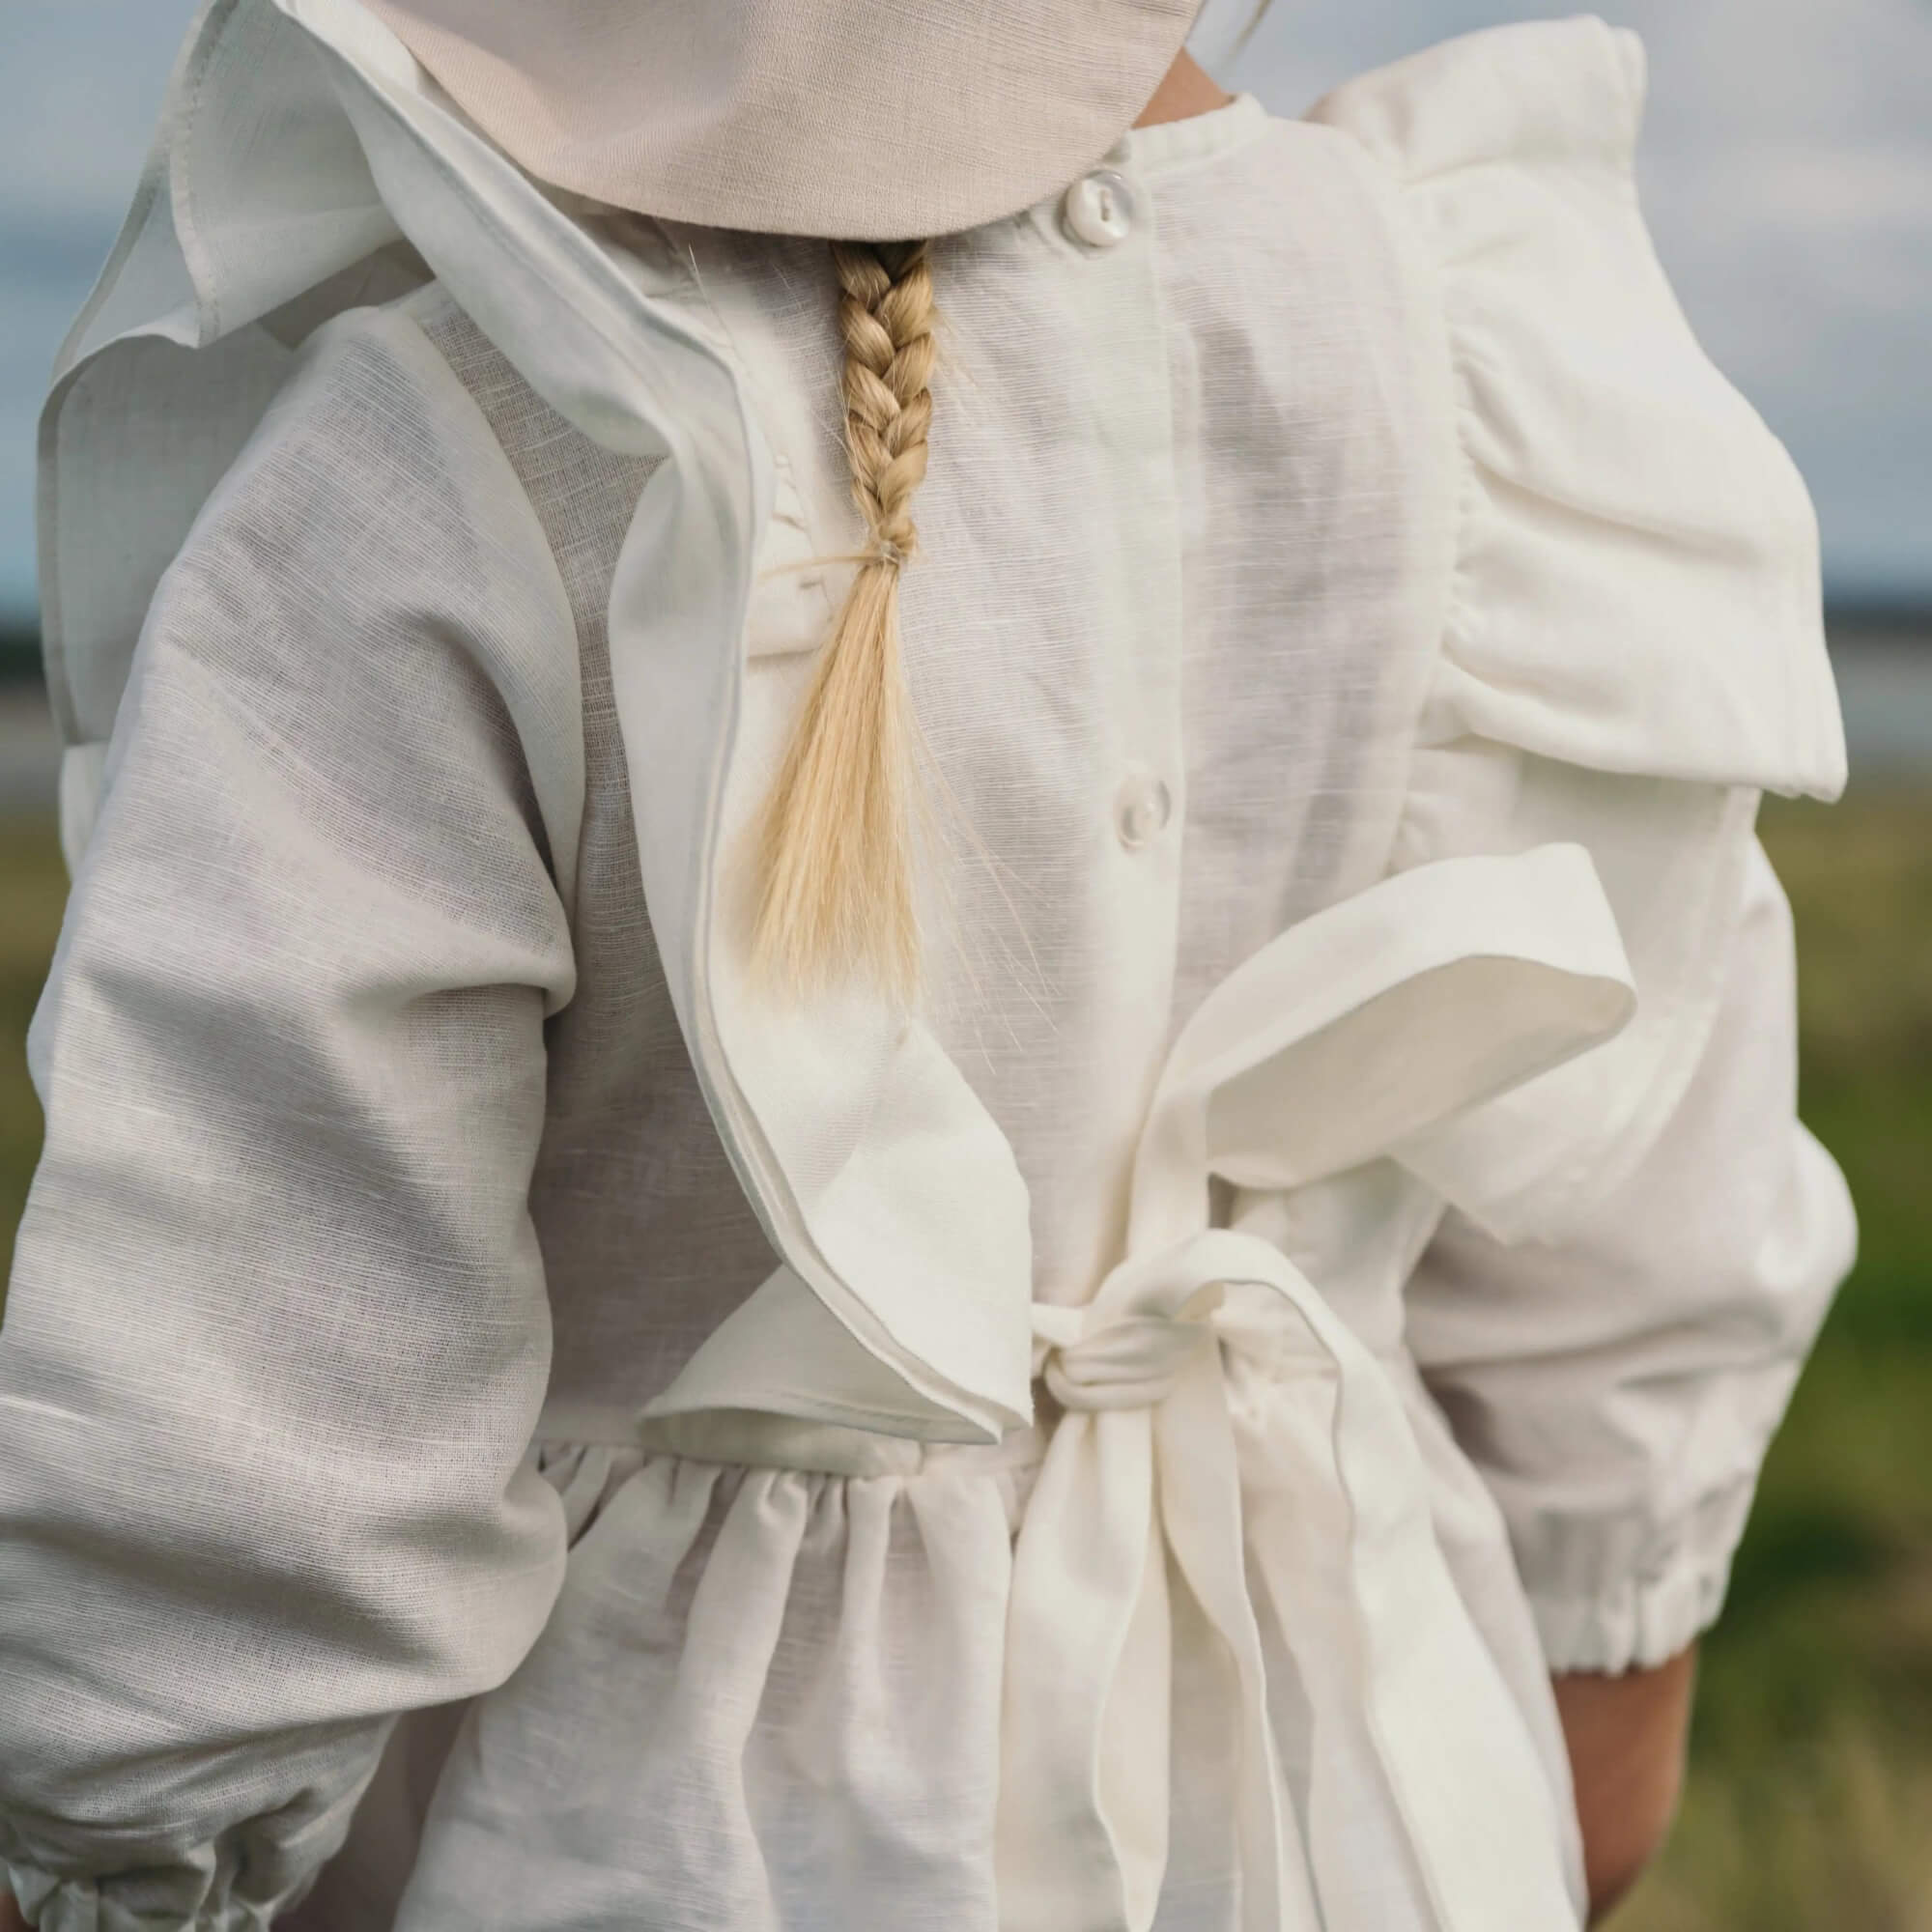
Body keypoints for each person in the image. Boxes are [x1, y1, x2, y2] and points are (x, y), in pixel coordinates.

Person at [0, 1, 1856, 1927]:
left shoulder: (448, 446)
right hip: (1358, 1805)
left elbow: (239, 1468)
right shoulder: (1513, 364)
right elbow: (1640, 1277)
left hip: (647, 1840)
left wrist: (110, 1843)